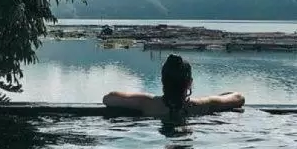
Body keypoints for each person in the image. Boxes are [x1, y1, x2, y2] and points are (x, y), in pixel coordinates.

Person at [103, 54, 245, 120]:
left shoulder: (148, 103)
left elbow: (108, 98)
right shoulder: (203, 105)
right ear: (189, 83)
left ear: (163, 80)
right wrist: (218, 97)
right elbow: (239, 97)